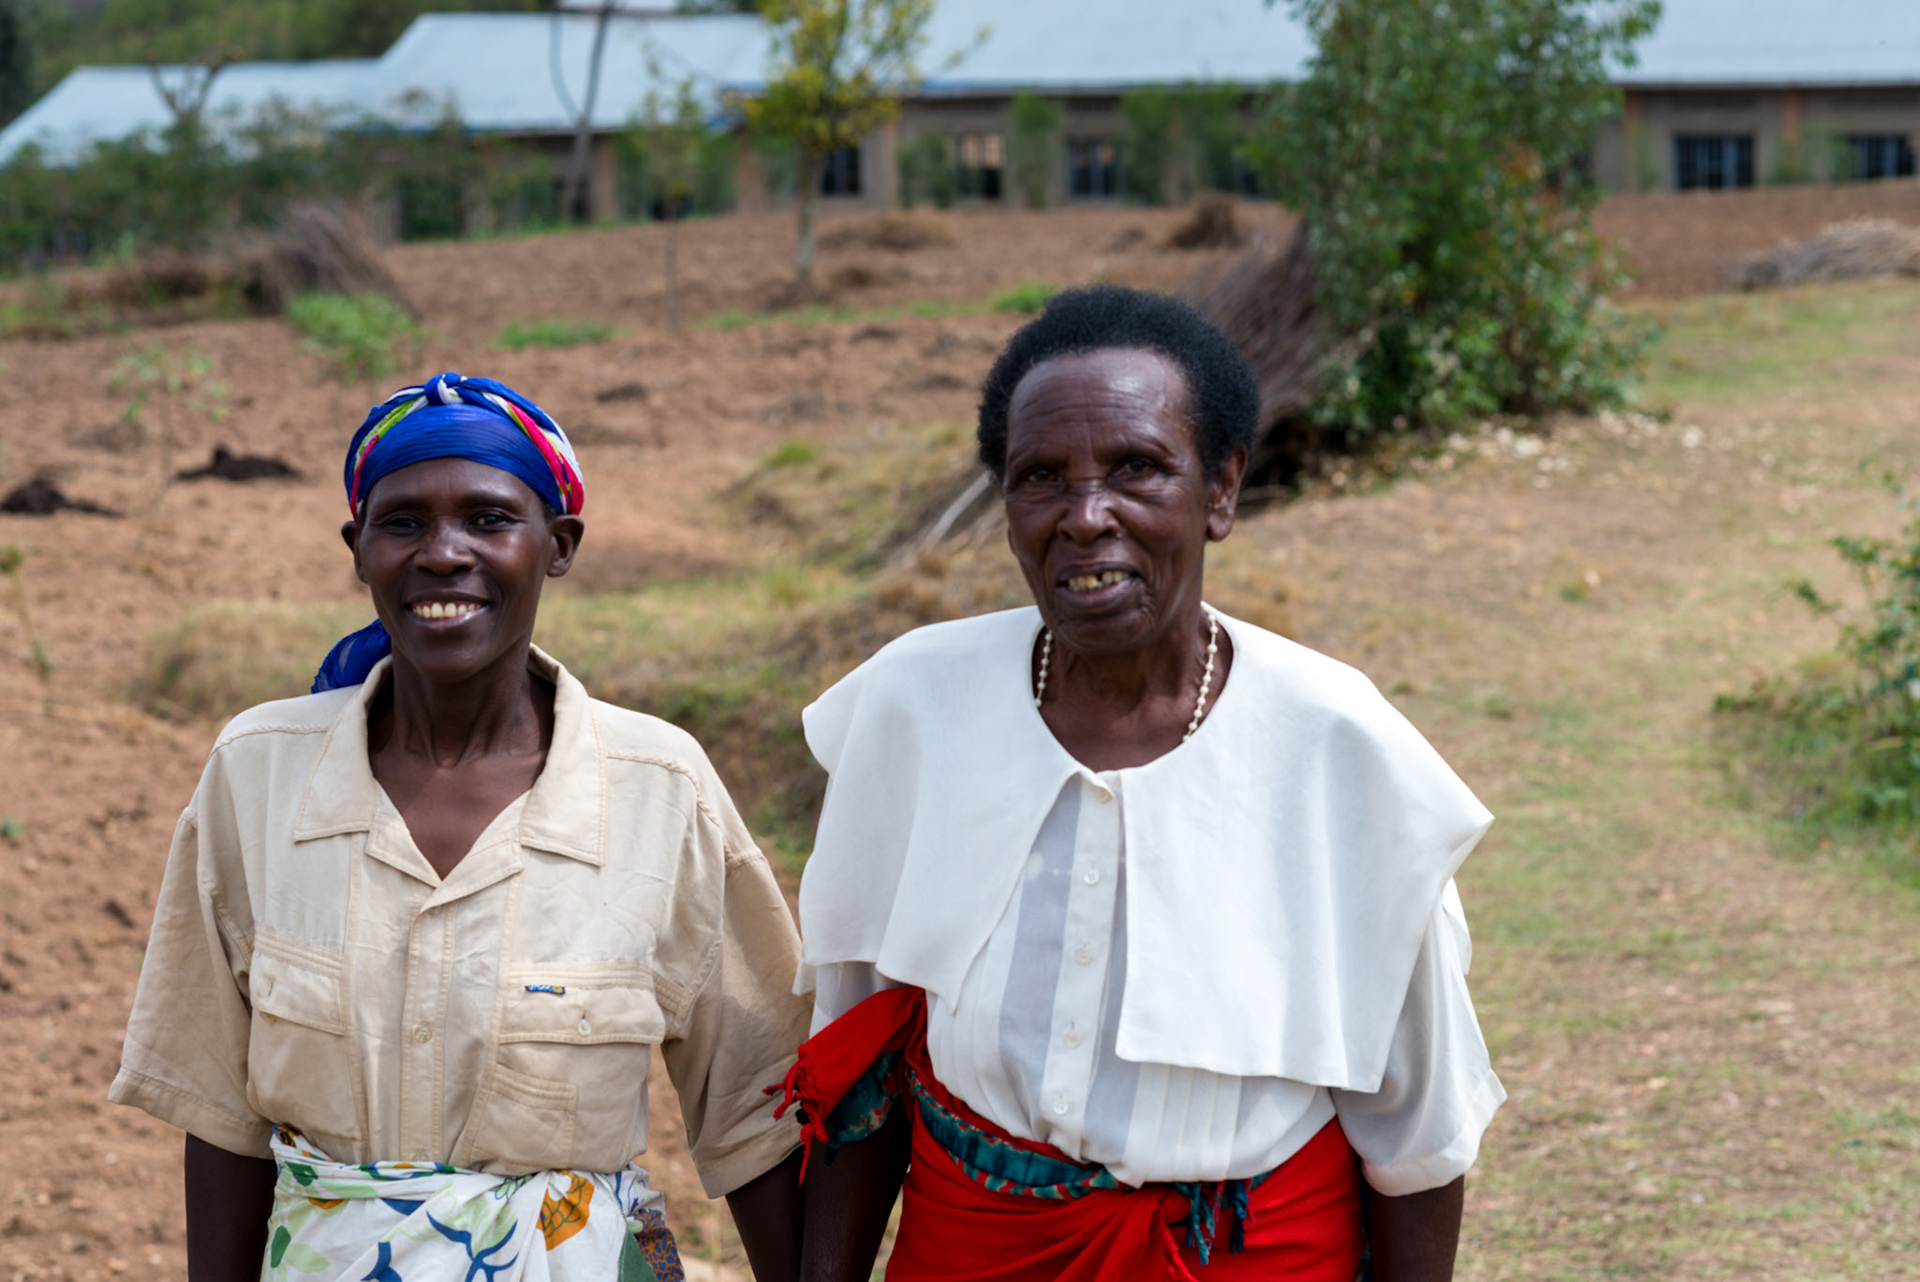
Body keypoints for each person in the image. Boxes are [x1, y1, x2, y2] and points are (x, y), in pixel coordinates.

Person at [778, 288, 1505, 1282]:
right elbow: (860, 1073)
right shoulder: (913, 709)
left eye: (1137, 469)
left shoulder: (1341, 750)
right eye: (1042, 478)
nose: (1086, 517)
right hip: (973, 1250)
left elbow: (1418, 1136)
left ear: (1221, 492)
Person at [110, 372, 811, 1282]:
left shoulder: (660, 789)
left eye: (488, 519)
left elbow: (757, 1116)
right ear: (357, 549)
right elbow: (223, 1119)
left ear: (557, 546)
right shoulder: (258, 773)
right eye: (403, 523)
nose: (444, 553)